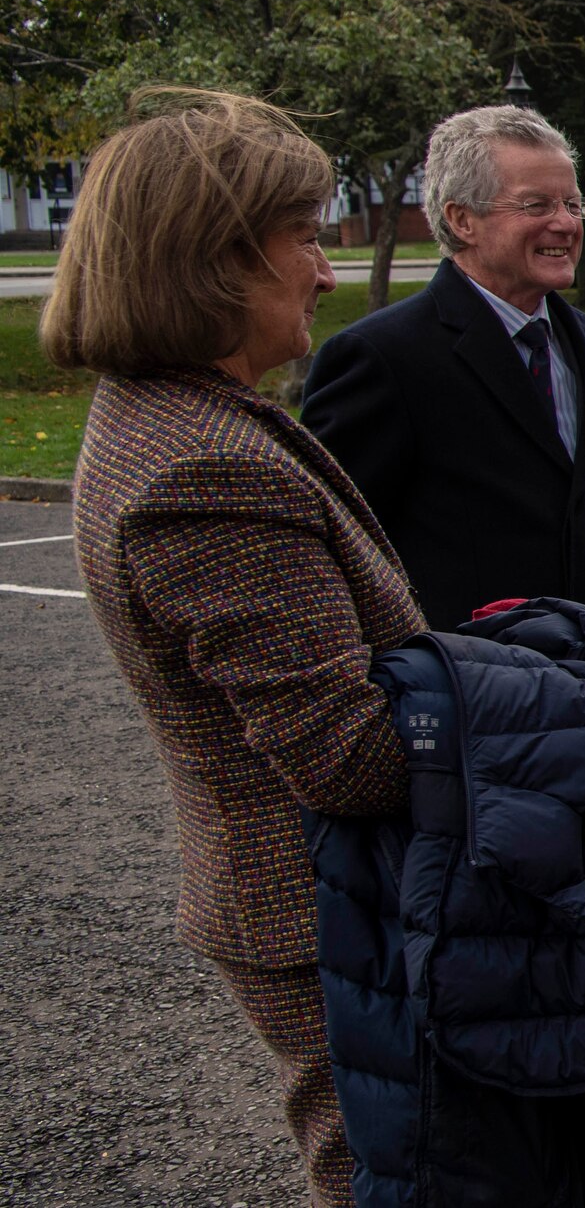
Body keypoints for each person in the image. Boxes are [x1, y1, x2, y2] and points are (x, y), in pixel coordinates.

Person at [47, 88, 425, 1207]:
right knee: (399, 1173)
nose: (325, 270)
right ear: (213, 261)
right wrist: (535, 714)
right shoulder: (203, 470)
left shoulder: (180, 418)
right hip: (329, 913)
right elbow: (350, 757)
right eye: (305, 238)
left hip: (305, 902)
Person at [301, 105, 585, 629]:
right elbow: (331, 549)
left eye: (571, 203)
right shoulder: (381, 357)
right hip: (465, 685)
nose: (566, 223)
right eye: (536, 204)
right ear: (461, 220)